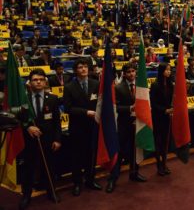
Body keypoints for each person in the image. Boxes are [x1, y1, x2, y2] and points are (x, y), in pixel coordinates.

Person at [18, 69, 62, 210]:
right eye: (35, 79)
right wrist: (28, 127)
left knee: (50, 167)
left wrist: (58, 140)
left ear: (45, 81)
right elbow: (17, 120)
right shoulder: (23, 100)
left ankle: (51, 192)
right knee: (28, 169)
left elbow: (57, 122)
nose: (38, 82)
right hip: (29, 140)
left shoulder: (53, 98)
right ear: (30, 83)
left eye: (41, 79)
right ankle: (26, 195)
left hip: (49, 141)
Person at [63, 58, 102, 196]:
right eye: (80, 67)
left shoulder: (96, 84)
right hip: (77, 127)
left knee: (91, 155)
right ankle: (77, 183)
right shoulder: (69, 87)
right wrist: (86, 112)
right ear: (75, 70)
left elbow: (100, 103)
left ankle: (90, 180)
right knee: (77, 157)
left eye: (85, 66)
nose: (83, 69)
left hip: (93, 127)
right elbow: (68, 108)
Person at [106, 63, 146, 193]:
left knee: (135, 151)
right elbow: (115, 107)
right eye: (128, 72)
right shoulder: (118, 88)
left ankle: (134, 173)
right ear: (124, 73)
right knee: (120, 153)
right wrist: (130, 108)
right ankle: (113, 179)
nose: (131, 74)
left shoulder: (141, 87)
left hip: (138, 124)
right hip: (124, 125)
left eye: (133, 71)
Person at [150, 63, 173, 176]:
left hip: (167, 117)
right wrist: (165, 110)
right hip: (158, 117)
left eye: (170, 70)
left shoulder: (170, 85)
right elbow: (153, 104)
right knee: (158, 142)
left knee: (165, 142)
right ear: (161, 71)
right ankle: (159, 164)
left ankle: (164, 163)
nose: (169, 72)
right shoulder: (155, 85)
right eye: (167, 70)